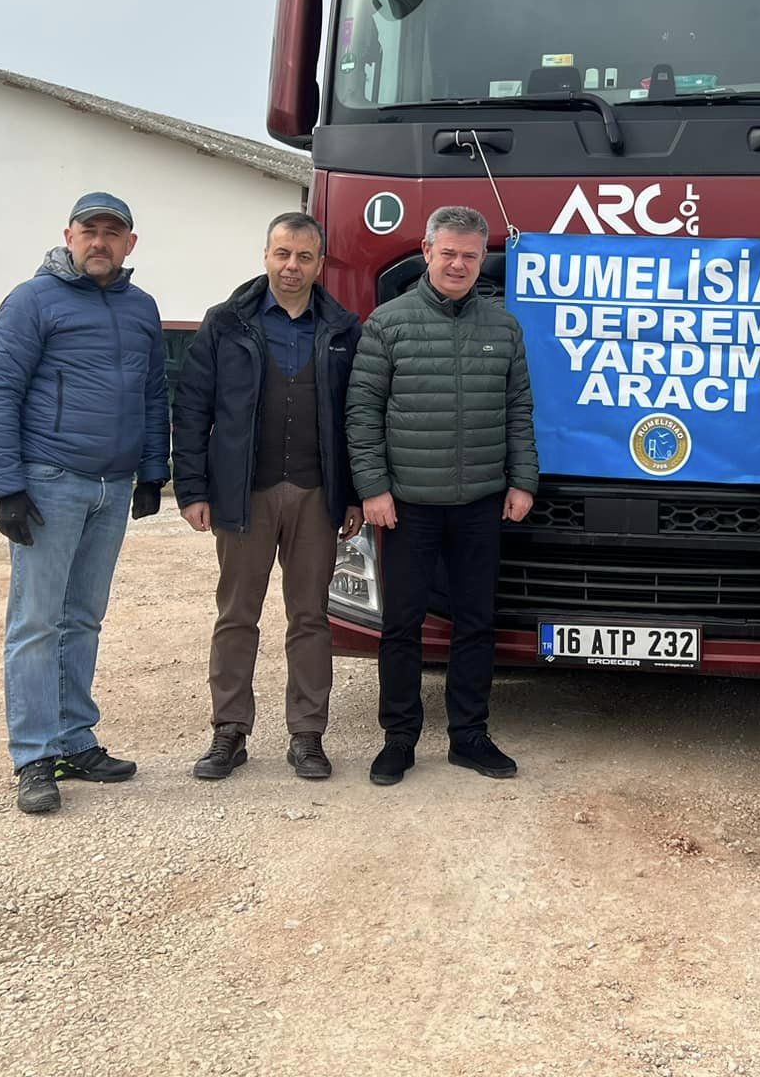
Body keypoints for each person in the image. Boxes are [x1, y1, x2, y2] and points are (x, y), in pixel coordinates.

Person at [0, 192, 170, 816]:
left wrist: (153, 472)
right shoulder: (33, 301)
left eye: (113, 233)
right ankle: (34, 755)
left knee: (83, 617)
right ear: (69, 236)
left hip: (113, 487)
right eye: (90, 231)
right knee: (36, 622)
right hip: (50, 481)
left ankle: (75, 740)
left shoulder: (141, 308)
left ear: (130, 244)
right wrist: (7, 486)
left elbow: (153, 393)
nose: (100, 242)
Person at [345, 205, 537, 787]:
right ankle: (398, 739)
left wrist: (523, 479)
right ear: (427, 252)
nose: (458, 264)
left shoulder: (503, 327)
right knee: (402, 626)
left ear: (482, 260)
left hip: (481, 501)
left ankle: (469, 736)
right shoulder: (388, 323)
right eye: (448, 252)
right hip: (408, 504)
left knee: (476, 622)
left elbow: (518, 410)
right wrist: (373, 488)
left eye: (469, 255)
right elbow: (362, 413)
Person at [172, 212, 363, 783]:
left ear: (320, 263)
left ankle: (307, 735)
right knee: (237, 615)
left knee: (311, 618)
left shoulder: (343, 330)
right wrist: (192, 488)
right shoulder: (226, 322)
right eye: (282, 254)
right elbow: (192, 408)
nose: (291, 266)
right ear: (265, 255)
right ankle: (229, 731)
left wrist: (353, 495)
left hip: (316, 495)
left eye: (304, 256)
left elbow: (357, 418)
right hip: (243, 494)